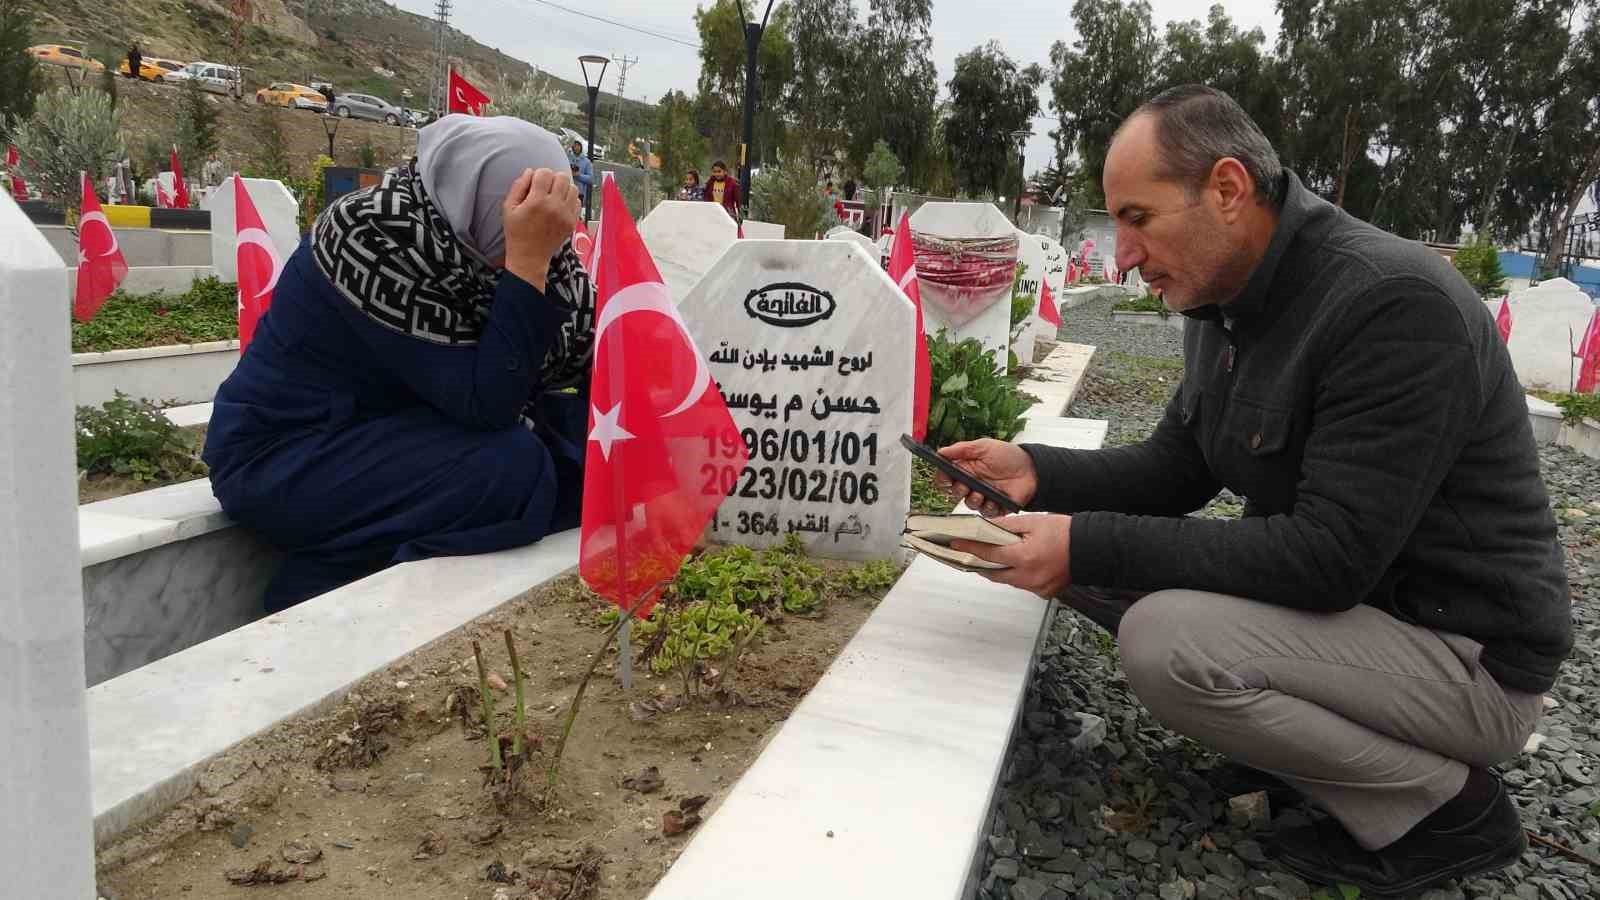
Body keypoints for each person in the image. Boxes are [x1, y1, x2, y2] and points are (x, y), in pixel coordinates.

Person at [935, 85, 1570, 895]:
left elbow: (1328, 559)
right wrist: (1037, 474)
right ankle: (1317, 758)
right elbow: (1178, 469)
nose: (1123, 254)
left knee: (1166, 640)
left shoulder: (1391, 304)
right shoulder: (1225, 297)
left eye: (1138, 217)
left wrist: (1081, 540)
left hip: (1468, 662)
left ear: (1228, 190)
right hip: (1367, 626)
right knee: (1099, 562)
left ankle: (1446, 808)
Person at [203, 115, 594, 612]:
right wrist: (526, 263)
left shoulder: (473, 241)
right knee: (512, 466)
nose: (548, 240)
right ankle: (320, 592)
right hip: (290, 455)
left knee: (594, 437)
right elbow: (489, 404)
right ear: (484, 201)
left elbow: (589, 345)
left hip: (405, 428)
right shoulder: (371, 238)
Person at [568, 139, 593, 207]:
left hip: (579, 193)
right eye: (575, 145)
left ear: (581, 147)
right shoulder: (568, 158)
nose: (576, 147)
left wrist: (579, 175)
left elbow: (590, 179)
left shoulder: (587, 162)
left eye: (578, 145)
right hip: (567, 190)